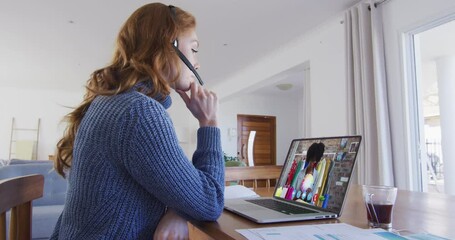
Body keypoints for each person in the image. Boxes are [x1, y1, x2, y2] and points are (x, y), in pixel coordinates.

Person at [50, 3, 224, 239]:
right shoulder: (139, 113)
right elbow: (210, 202)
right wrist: (209, 123)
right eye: (193, 49)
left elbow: (183, 190)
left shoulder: (114, 103)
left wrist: (179, 209)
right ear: (169, 44)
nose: (197, 63)